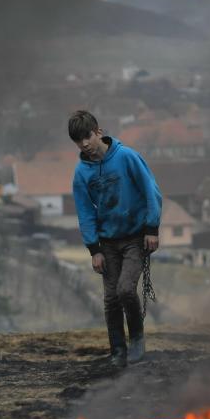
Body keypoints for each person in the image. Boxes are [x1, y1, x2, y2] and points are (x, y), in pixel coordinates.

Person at [68, 110, 162, 368]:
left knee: (125, 290)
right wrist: (93, 249)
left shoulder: (126, 157)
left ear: (98, 132)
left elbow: (151, 191)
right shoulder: (82, 173)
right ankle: (117, 352)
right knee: (110, 299)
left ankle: (137, 343)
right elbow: (85, 212)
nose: (84, 144)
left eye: (87, 136)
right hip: (107, 242)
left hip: (135, 237)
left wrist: (152, 228)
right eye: (78, 140)